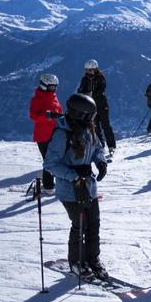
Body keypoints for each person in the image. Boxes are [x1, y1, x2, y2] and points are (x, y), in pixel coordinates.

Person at [43, 93, 108, 278]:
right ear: (80, 114)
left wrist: (101, 162)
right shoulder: (63, 134)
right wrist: (73, 176)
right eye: (90, 115)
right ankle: (77, 263)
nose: (92, 119)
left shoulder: (88, 128)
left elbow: (97, 148)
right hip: (70, 188)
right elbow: (49, 164)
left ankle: (93, 259)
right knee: (80, 225)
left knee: (93, 224)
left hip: (88, 185)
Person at [29, 73, 63, 195]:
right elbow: (33, 116)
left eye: (55, 87)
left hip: (55, 134)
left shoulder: (53, 96)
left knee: (57, 159)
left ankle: (55, 182)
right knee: (49, 160)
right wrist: (46, 116)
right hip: (43, 135)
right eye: (51, 87)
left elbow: (59, 111)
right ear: (44, 86)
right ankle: (48, 186)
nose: (54, 89)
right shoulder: (37, 99)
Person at [77, 59, 116, 156]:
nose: (87, 72)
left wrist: (91, 94)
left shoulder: (100, 78)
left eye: (89, 70)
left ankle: (111, 146)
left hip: (102, 105)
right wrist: (82, 95)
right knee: (95, 127)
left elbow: (101, 90)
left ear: (95, 69)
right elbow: (80, 90)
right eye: (86, 70)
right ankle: (100, 146)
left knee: (106, 125)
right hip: (91, 107)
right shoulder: (85, 79)